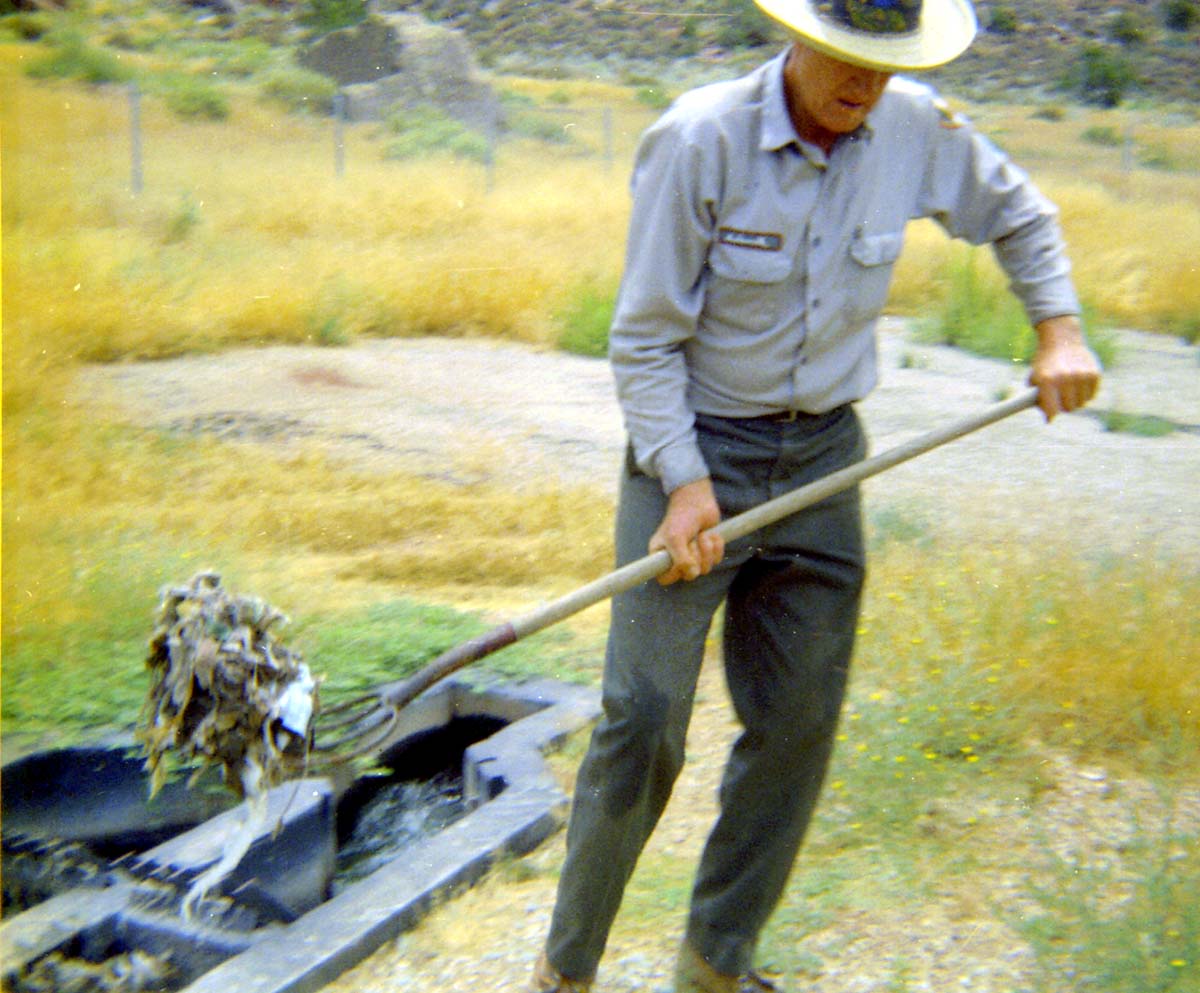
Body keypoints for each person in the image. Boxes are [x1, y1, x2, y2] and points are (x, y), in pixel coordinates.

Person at [532, 1, 1101, 991]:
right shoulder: (699, 138)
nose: (864, 85)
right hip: (694, 451)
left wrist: (1058, 328)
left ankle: (717, 962)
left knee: (797, 725)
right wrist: (683, 482)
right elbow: (645, 337)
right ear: (799, 38)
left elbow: (1021, 212)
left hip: (826, 461)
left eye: (885, 66)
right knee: (641, 716)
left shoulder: (917, 127)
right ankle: (565, 969)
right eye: (846, 60)